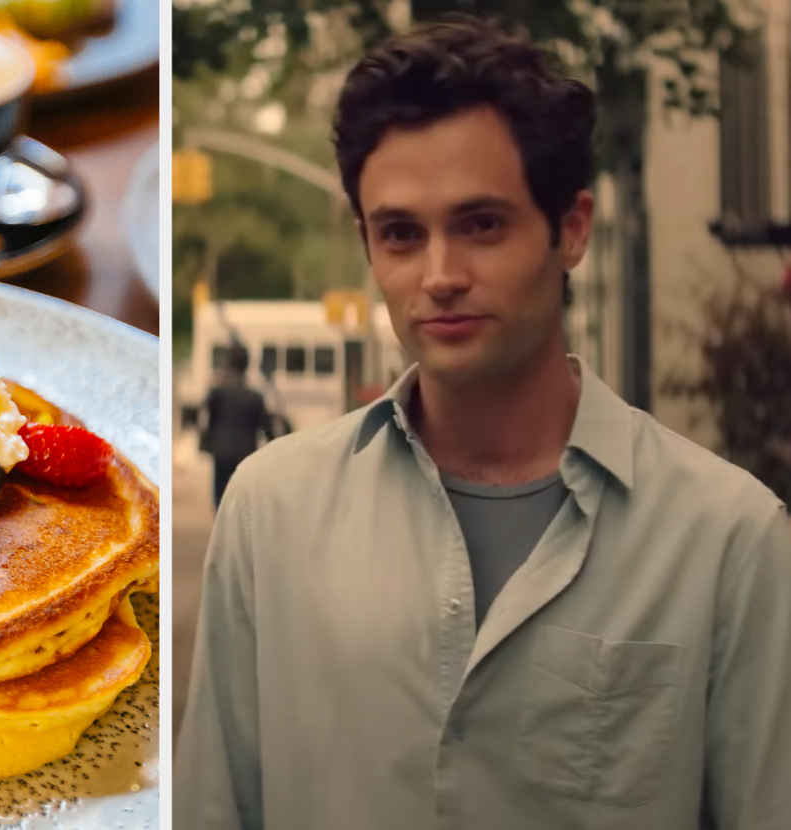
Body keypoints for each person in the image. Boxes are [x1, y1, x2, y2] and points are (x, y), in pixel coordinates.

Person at [174, 16, 791, 830]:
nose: (439, 276)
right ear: (366, 243)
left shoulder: (729, 539)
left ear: (571, 229)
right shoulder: (269, 510)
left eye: (482, 225)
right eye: (401, 234)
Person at [199, 344, 273, 508]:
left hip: (222, 455)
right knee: (242, 505)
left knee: (220, 502)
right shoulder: (255, 397)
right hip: (245, 457)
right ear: (246, 365)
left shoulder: (218, 393)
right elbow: (268, 429)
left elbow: (204, 417)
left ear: (228, 364)